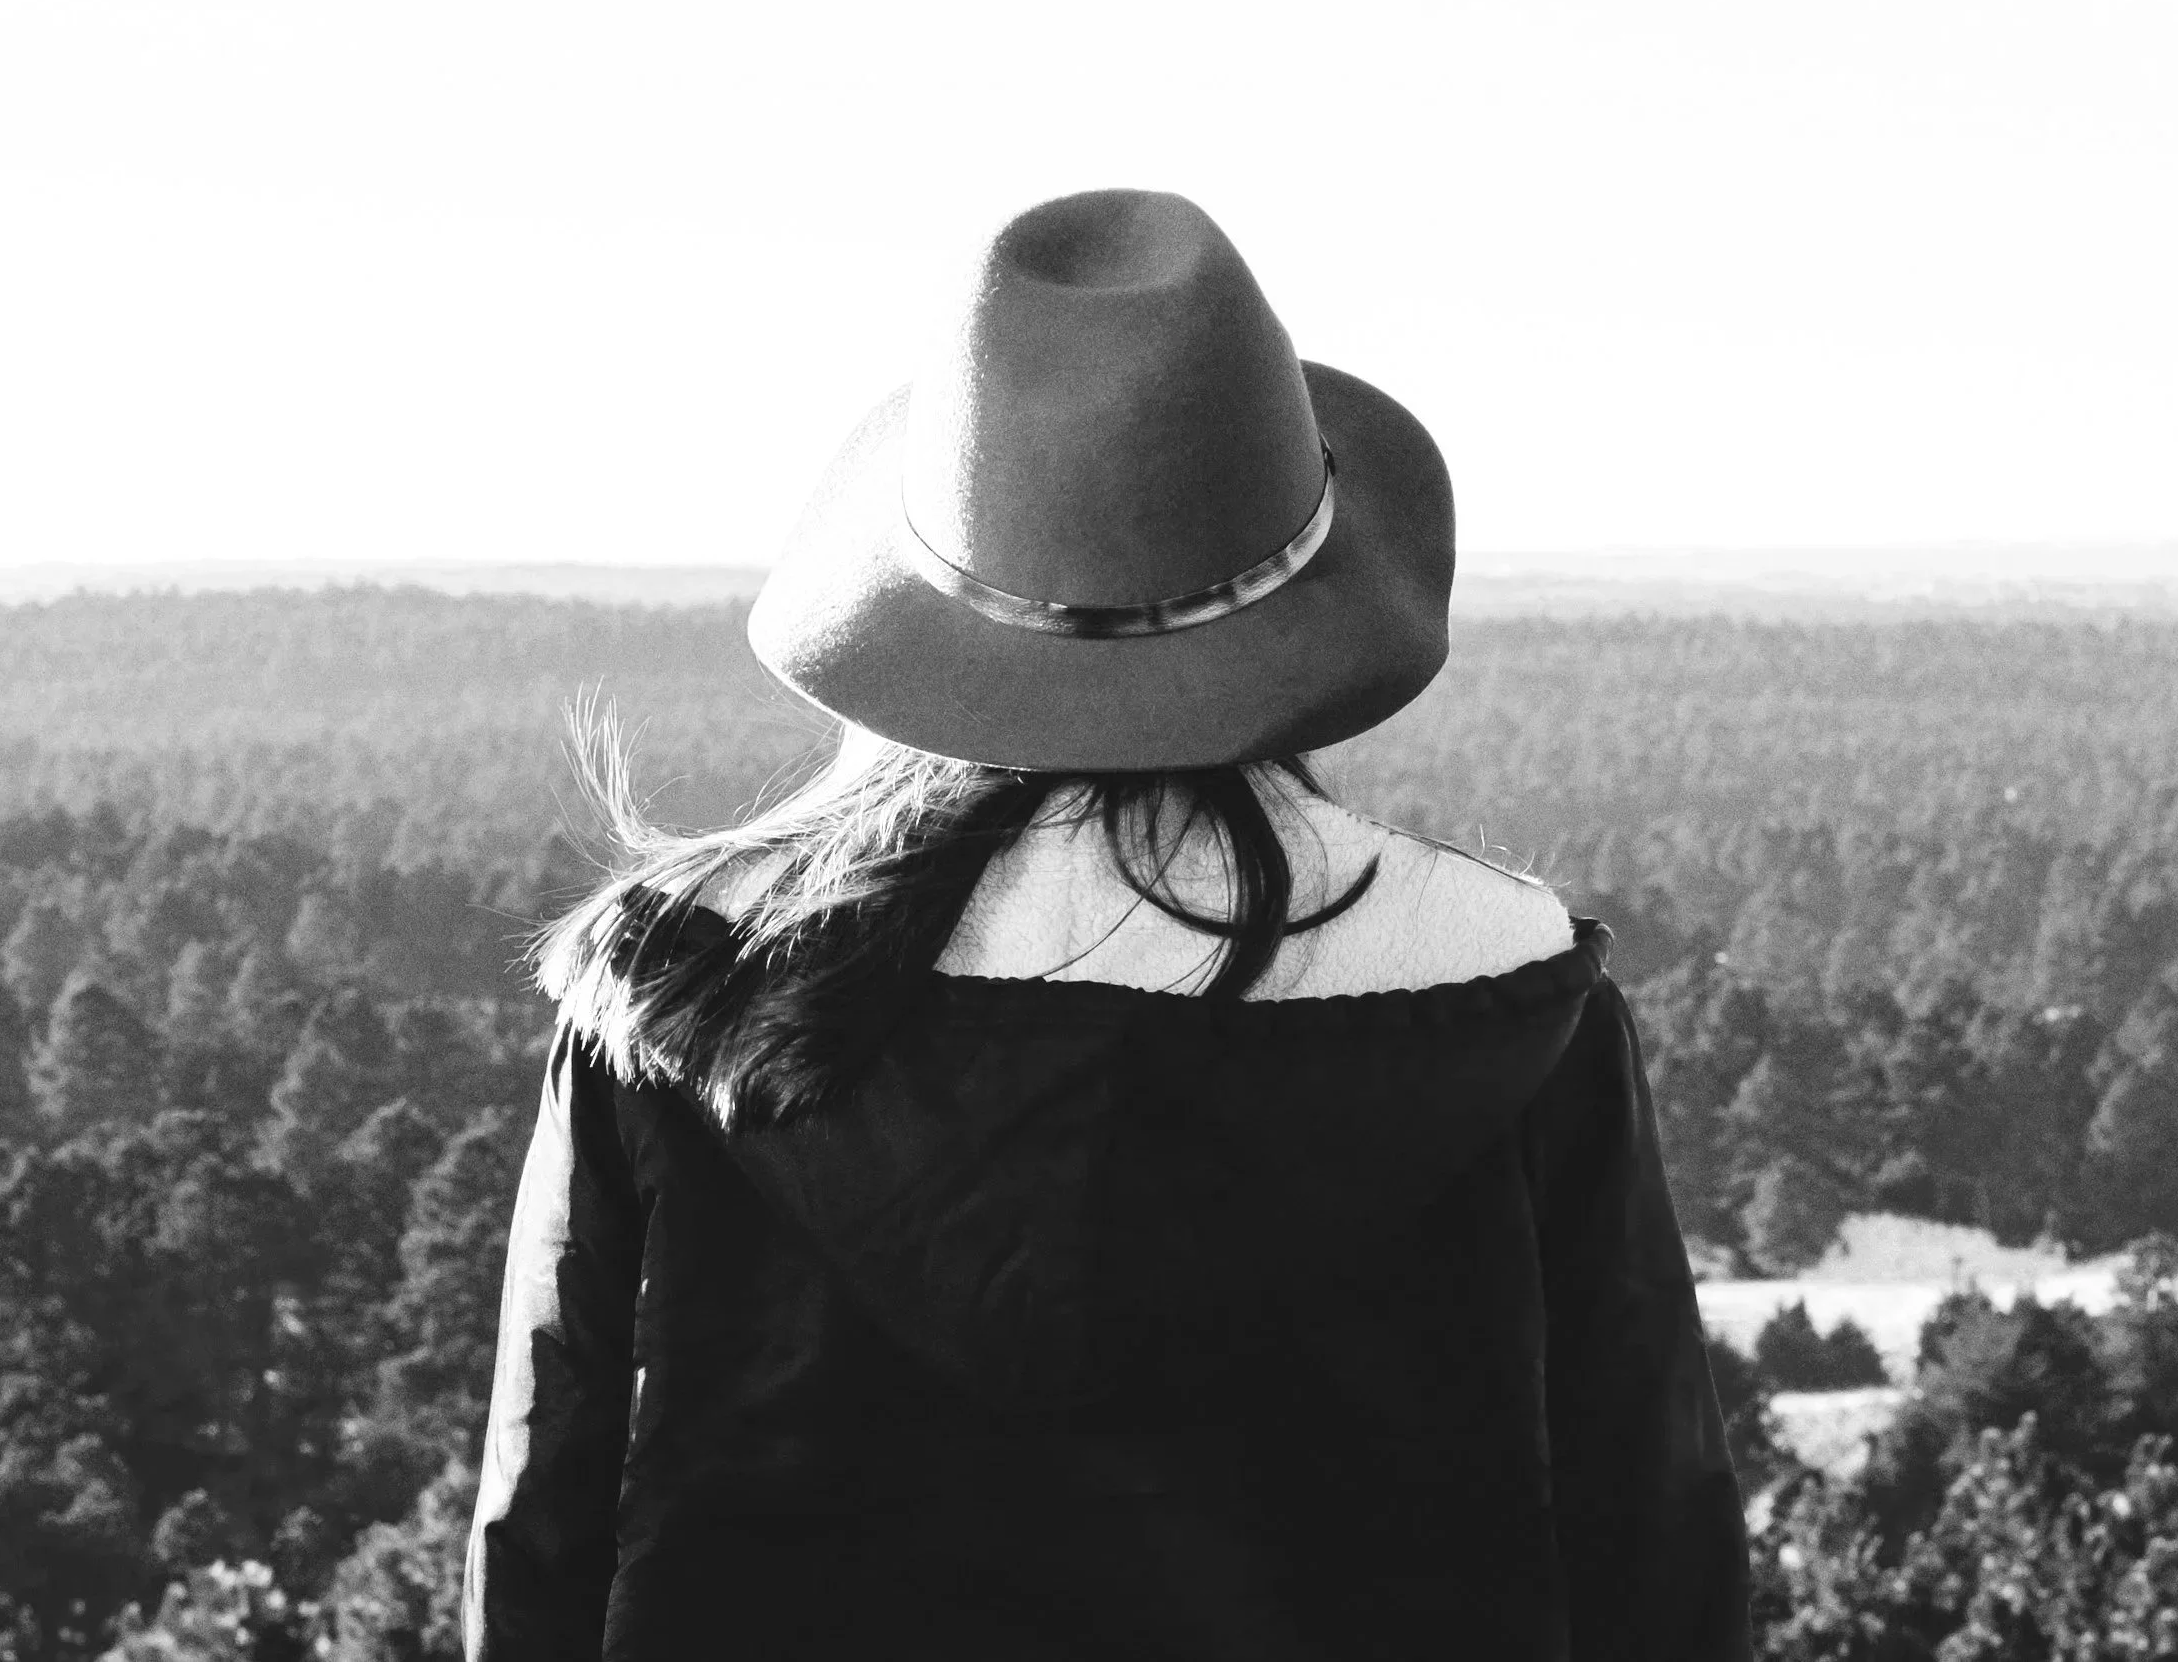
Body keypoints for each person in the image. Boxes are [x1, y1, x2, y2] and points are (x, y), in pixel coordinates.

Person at [464, 188, 1752, 1659]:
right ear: (1304, 590)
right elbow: (1650, 1539)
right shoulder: (1505, 996)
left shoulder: (688, 991)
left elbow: (545, 1515)